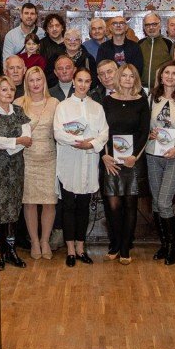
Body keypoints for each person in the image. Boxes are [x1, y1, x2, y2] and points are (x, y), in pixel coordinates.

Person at [54, 68, 108, 266]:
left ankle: (80, 247)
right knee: (68, 205)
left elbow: (104, 133)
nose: (83, 84)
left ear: (90, 83)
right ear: (74, 82)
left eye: (87, 81)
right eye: (80, 80)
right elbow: (58, 132)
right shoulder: (63, 106)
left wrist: (91, 144)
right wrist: (78, 142)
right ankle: (69, 249)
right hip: (69, 160)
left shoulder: (97, 107)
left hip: (89, 159)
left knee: (84, 206)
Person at [101, 64, 151, 264]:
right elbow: (101, 130)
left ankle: (124, 248)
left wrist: (135, 156)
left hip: (132, 161)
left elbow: (144, 132)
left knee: (130, 205)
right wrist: (104, 156)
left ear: (136, 79)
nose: (128, 79)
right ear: (118, 78)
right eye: (124, 76)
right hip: (111, 160)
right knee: (113, 205)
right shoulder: (107, 101)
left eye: (132, 76)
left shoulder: (141, 102)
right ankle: (114, 243)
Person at [0, 75, 32, 268]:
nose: (9, 93)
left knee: (13, 210)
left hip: (15, 168)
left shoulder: (18, 111)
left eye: (11, 89)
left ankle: (11, 250)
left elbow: (28, 137)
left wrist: (12, 144)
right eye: (4, 89)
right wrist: (17, 141)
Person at [145, 61, 175, 265]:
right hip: (153, 154)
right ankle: (163, 245)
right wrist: (150, 133)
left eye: (174, 73)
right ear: (161, 77)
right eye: (167, 73)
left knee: (164, 202)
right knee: (156, 203)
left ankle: (172, 247)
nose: (170, 76)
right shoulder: (151, 99)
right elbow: (143, 125)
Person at [18, 66, 59, 260]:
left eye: (38, 79)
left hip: (49, 157)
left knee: (49, 202)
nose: (35, 84)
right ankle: (34, 241)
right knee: (30, 202)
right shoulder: (18, 103)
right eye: (31, 80)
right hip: (27, 158)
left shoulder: (54, 103)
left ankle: (45, 240)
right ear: (26, 83)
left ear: (44, 81)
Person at [139, 11, 172, 90]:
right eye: (147, 25)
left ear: (160, 25)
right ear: (144, 28)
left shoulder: (168, 43)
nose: (151, 27)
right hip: (142, 89)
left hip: (162, 89)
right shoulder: (139, 43)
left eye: (154, 24)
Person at [40, 13, 68, 78]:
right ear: (47, 29)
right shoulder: (41, 44)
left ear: (62, 27)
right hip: (46, 81)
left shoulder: (69, 43)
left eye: (57, 25)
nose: (54, 29)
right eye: (51, 26)